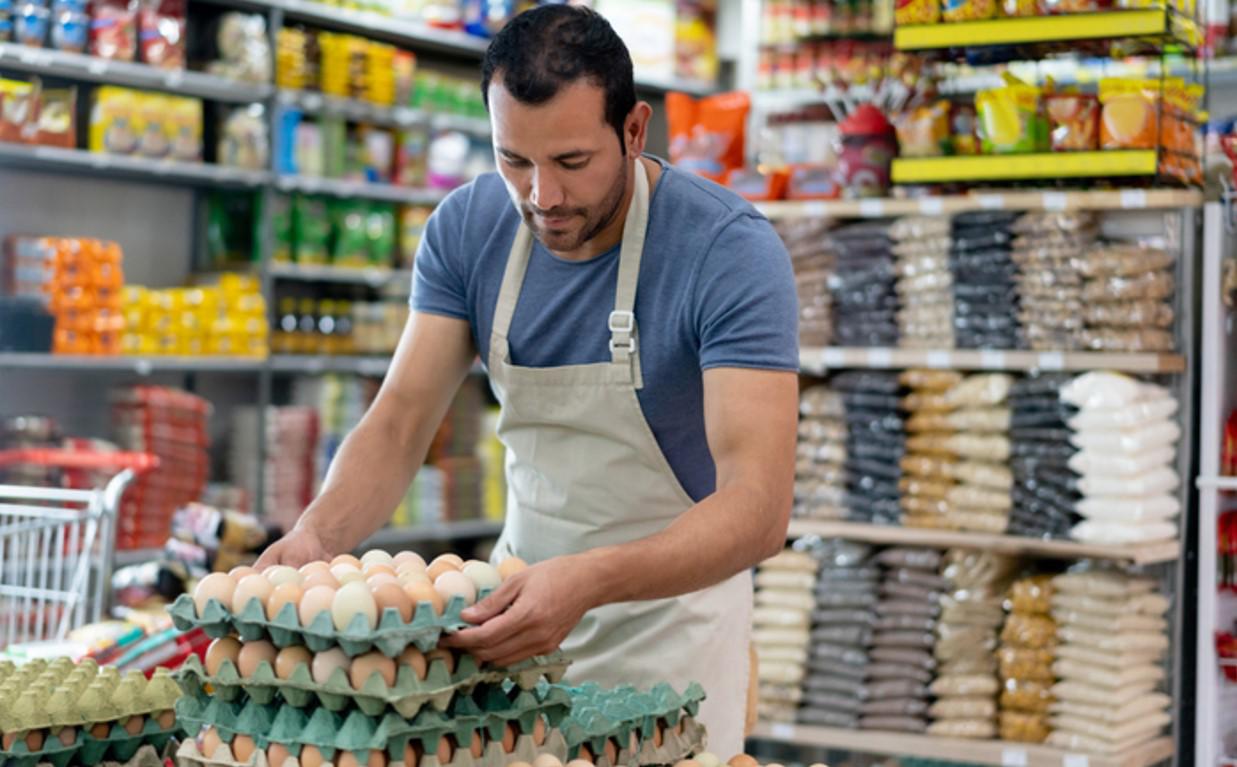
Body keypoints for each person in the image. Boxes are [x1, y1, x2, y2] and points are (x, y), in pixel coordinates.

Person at [256, 5, 798, 755]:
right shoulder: (467, 229)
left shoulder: (725, 251)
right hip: (515, 631)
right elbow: (400, 420)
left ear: (634, 130)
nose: (542, 196)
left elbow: (757, 506)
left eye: (571, 162)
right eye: (514, 160)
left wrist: (585, 581)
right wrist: (318, 535)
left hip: (673, 640)